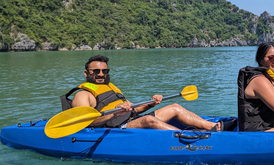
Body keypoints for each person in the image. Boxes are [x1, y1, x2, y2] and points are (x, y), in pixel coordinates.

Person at [63, 55, 224, 131]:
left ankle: (214, 128)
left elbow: (133, 109)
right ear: (86, 73)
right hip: (116, 129)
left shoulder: (111, 87)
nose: (100, 74)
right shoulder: (82, 95)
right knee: (148, 120)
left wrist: (150, 103)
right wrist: (114, 114)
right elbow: (87, 122)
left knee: (174, 106)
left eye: (104, 71)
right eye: (95, 71)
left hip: (131, 120)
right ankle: (192, 139)